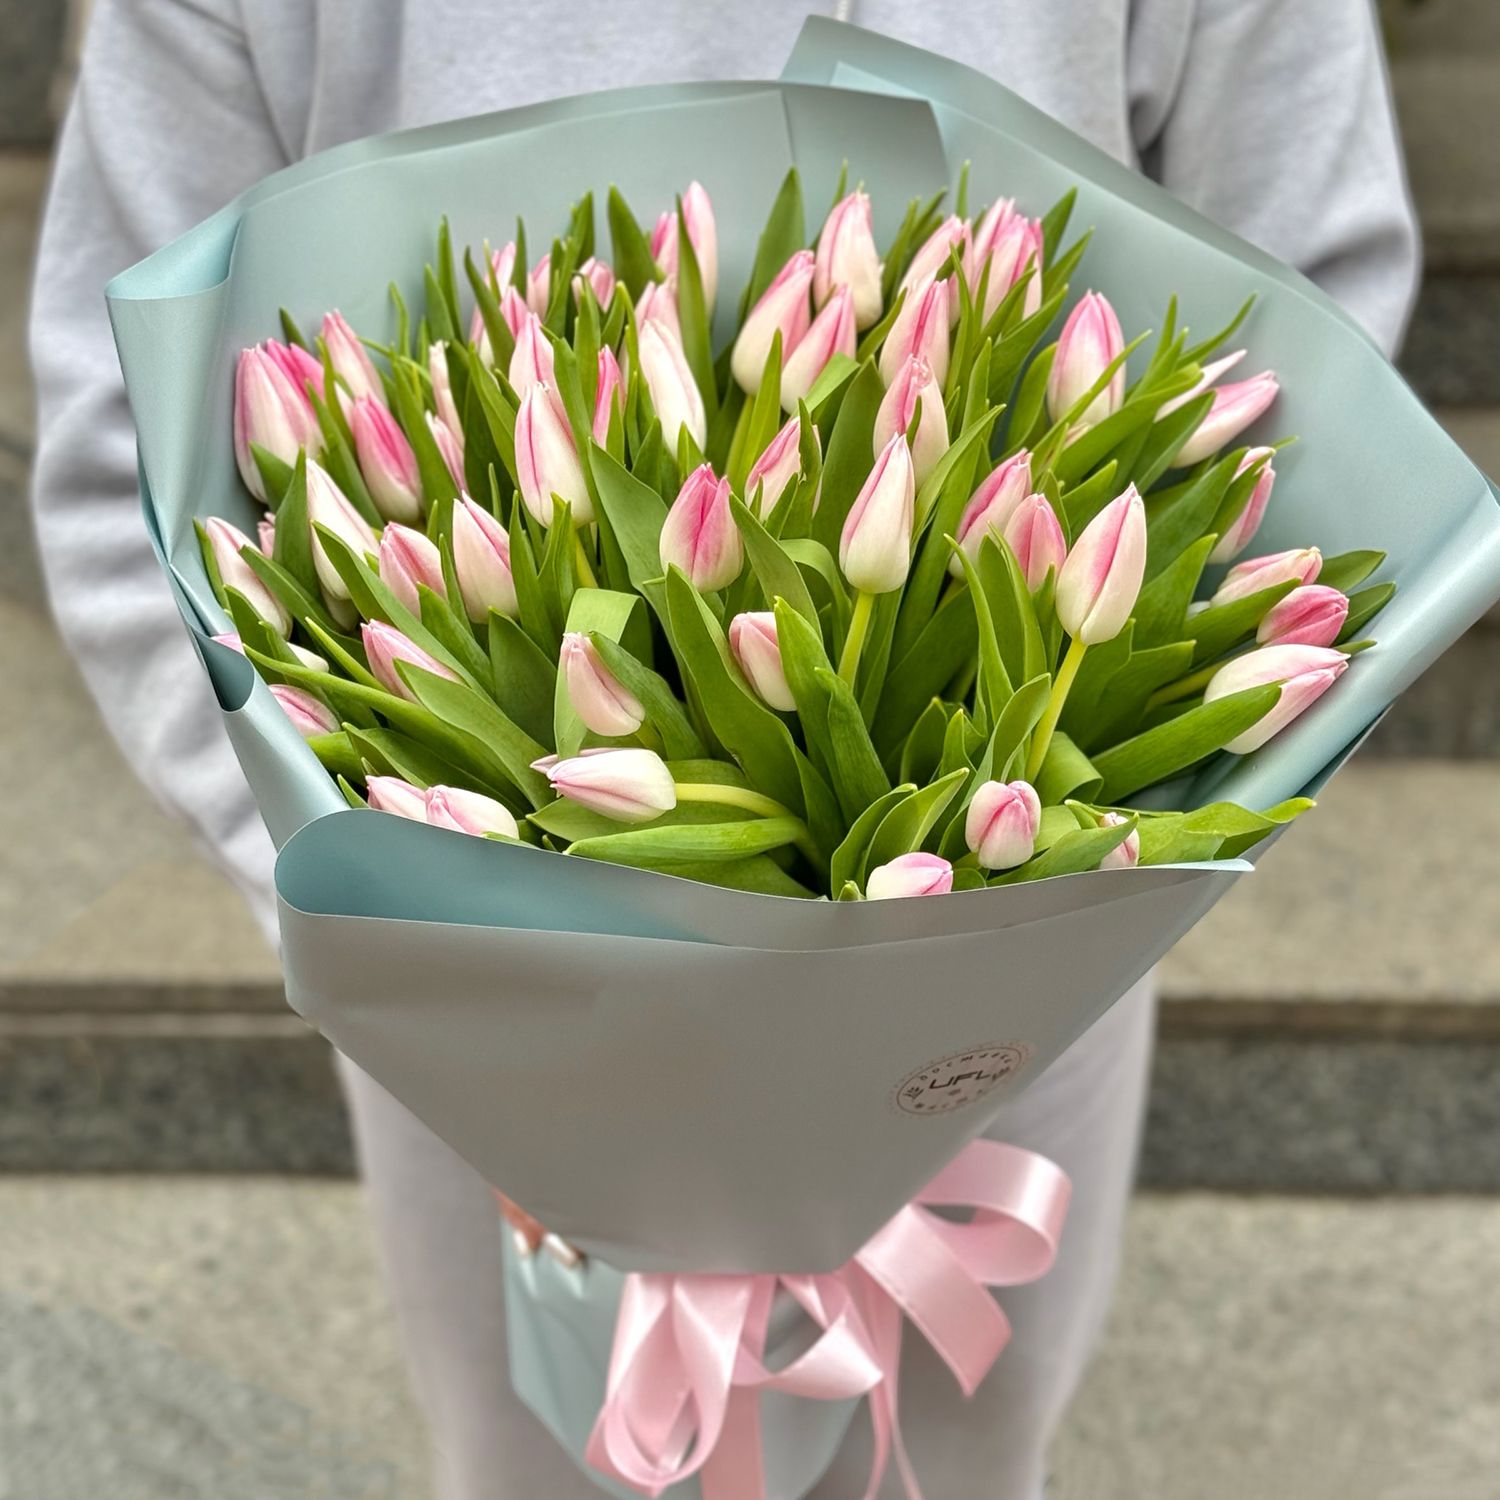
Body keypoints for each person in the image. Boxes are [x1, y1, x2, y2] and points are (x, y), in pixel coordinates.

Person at [28, 2, 1418, 1495]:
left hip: (1006, 1009)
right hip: (473, 1020)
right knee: (538, 1460)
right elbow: (132, 446)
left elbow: (1312, 329)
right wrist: (412, 964)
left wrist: (1083, 892)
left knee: (949, 1460)